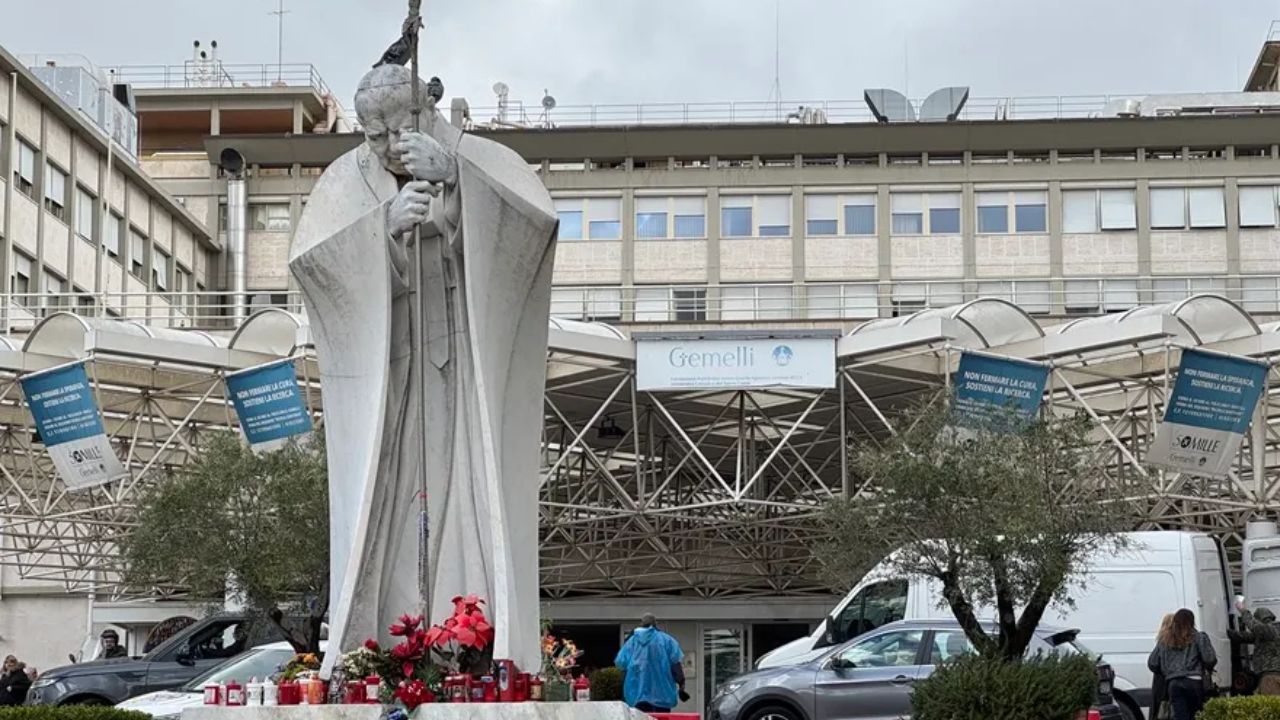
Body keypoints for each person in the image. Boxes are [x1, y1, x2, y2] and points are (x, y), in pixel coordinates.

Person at [1148, 608, 1216, 720]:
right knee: (1197, 715)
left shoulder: (1165, 639)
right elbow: (1210, 659)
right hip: (1194, 681)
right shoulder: (1198, 637)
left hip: (1173, 683)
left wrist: (1167, 670)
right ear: (1192, 621)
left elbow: (1152, 663)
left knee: (1180, 716)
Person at [615, 613, 687, 712]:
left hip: (637, 693)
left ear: (641, 624)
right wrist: (681, 683)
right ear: (655, 624)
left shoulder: (632, 642)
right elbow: (675, 665)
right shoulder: (667, 641)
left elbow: (621, 663)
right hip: (662, 694)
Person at [1234, 605, 1280, 694]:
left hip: (1271, 675)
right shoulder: (1267, 633)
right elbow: (1246, 637)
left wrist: (1243, 611)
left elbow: (1254, 626)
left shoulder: (1268, 629)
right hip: (1271, 674)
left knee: (1272, 705)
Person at [1150, 613, 1172, 717]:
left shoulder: (1163, 641)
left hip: (1161, 684)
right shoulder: (1183, 640)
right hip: (1175, 683)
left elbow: (1152, 663)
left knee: (1161, 712)